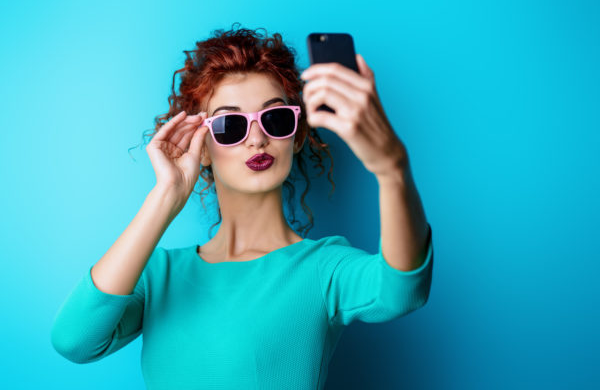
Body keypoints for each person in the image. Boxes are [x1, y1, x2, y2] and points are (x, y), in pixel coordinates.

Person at [50, 24, 434, 389]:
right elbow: (74, 341)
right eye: (231, 125)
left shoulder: (323, 267)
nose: (257, 139)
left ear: (297, 138)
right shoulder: (157, 275)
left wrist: (392, 167)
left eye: (276, 118)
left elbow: (402, 290)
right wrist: (165, 197)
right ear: (201, 146)